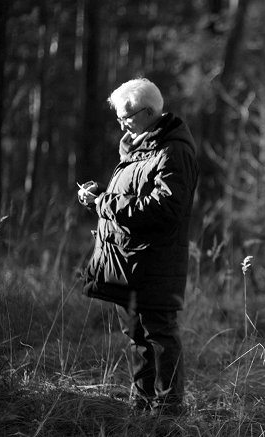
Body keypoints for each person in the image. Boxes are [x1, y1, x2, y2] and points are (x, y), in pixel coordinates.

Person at [77, 78, 199, 415]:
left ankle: (168, 410)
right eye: (118, 118)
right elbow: (130, 199)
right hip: (126, 261)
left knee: (160, 336)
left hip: (155, 263)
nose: (121, 124)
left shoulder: (173, 150)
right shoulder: (137, 147)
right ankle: (141, 403)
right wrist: (99, 196)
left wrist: (105, 202)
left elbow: (165, 209)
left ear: (149, 113)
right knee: (136, 337)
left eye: (125, 118)